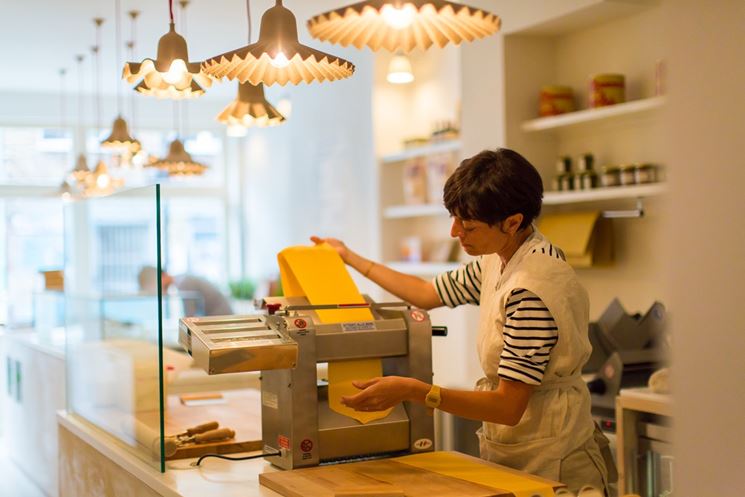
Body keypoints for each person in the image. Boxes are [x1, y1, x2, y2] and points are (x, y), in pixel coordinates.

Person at [312, 148, 615, 495]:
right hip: (518, 450)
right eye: (454, 219)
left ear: (513, 221)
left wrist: (414, 390)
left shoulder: (532, 290)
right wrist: (348, 257)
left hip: (553, 458)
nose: (456, 232)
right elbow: (426, 293)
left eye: (468, 225)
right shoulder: (499, 259)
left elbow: (508, 406)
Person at [137, 266, 233, 317]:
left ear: (162, 276)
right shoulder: (183, 280)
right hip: (220, 318)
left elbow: (190, 317)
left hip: (221, 320)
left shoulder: (184, 283)